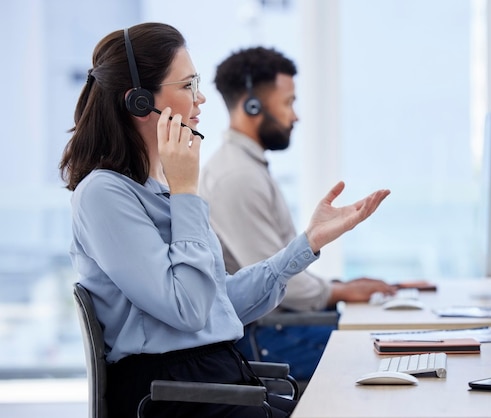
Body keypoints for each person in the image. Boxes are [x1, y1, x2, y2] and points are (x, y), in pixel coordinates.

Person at [58, 23, 390, 418]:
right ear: (140, 103)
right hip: (172, 396)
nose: (199, 99)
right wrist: (186, 193)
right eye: (186, 86)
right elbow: (189, 309)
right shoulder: (103, 195)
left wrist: (307, 244)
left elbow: (217, 304)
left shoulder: (157, 189)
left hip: (211, 379)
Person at [198, 46, 396, 380]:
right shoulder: (237, 177)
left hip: (280, 328)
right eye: (288, 103)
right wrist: (338, 291)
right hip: (267, 337)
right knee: (381, 352)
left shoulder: (247, 167)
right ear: (253, 105)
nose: (296, 116)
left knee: (390, 343)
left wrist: (342, 286)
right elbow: (271, 281)